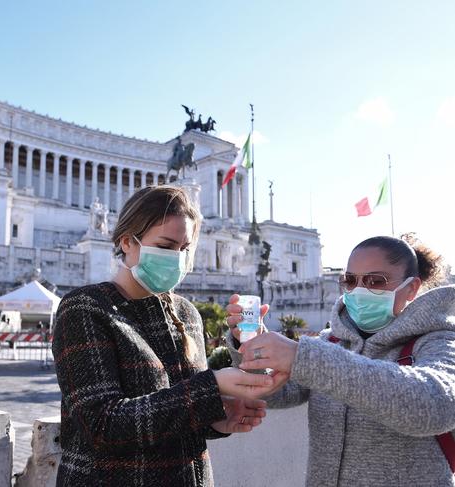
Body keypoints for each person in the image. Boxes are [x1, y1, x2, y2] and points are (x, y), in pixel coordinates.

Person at [52, 185, 284, 486]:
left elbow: (179, 413)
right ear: (127, 242)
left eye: (184, 249)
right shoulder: (85, 308)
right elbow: (102, 425)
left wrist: (218, 419)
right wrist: (211, 387)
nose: (176, 258)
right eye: (165, 245)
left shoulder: (186, 314)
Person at [229, 234, 455, 486]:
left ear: (411, 288)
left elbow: (435, 407)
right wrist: (250, 345)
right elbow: (275, 393)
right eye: (350, 280)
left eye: (375, 281)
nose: (359, 291)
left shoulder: (438, 340)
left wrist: (304, 357)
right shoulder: (330, 341)